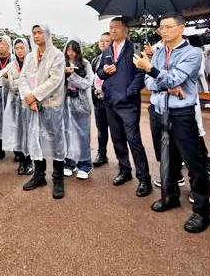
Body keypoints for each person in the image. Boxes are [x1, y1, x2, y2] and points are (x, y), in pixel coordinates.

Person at [134, 13, 210, 233]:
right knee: (166, 156)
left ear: (181, 28)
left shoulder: (192, 53)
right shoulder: (158, 53)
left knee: (193, 162)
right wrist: (162, 81)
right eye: (161, 27)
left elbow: (174, 78)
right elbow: (150, 82)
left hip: (182, 113)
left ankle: (201, 211)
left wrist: (151, 69)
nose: (163, 31)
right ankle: (170, 196)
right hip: (159, 110)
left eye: (168, 26)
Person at [96, 17, 152, 197]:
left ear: (125, 30)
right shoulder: (106, 51)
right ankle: (124, 170)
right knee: (117, 139)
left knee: (134, 141)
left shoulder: (134, 48)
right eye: (110, 27)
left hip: (128, 103)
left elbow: (140, 74)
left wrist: (129, 93)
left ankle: (144, 178)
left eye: (117, 27)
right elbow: (99, 73)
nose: (113, 30)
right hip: (110, 102)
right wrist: (105, 72)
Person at [19, 24, 67, 199]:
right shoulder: (31, 56)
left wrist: (34, 96)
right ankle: (39, 176)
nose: (36, 36)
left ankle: (58, 179)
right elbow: (22, 78)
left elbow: (55, 81)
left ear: (47, 34)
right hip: (33, 105)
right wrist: (28, 98)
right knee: (35, 139)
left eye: (39, 32)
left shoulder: (57, 55)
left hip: (51, 105)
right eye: (34, 33)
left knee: (56, 140)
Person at [63, 39, 95, 179]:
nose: (71, 53)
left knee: (83, 135)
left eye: (73, 50)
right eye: (68, 50)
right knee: (68, 135)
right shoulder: (62, 64)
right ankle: (69, 163)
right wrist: (64, 75)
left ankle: (85, 165)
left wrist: (72, 76)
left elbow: (87, 83)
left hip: (82, 105)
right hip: (66, 104)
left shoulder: (85, 64)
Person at [2, 38, 34, 175]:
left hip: (28, 102)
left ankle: (30, 161)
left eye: (22, 48)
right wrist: (7, 79)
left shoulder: (32, 64)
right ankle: (21, 161)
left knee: (30, 132)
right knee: (19, 132)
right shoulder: (10, 65)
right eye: (17, 48)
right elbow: (9, 86)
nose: (20, 51)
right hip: (15, 104)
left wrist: (16, 82)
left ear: (27, 48)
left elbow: (32, 82)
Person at [91, 32, 112, 166]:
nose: (103, 43)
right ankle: (102, 154)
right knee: (101, 129)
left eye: (107, 41)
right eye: (101, 41)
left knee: (117, 132)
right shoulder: (95, 60)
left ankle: (123, 160)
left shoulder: (114, 59)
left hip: (111, 101)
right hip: (98, 100)